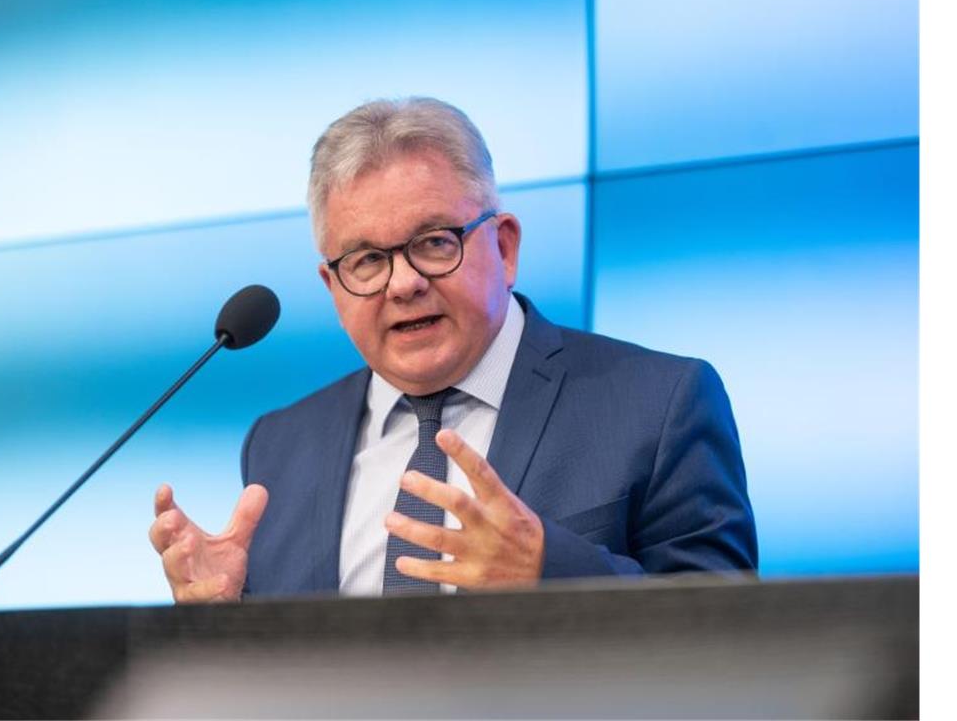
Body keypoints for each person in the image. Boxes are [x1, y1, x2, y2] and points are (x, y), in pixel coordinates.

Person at [149, 97, 757, 602]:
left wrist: (549, 570)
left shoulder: (658, 403)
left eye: (435, 243)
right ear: (334, 289)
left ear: (506, 248)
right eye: (366, 261)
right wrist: (226, 627)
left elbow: (733, 637)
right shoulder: (281, 445)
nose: (404, 283)